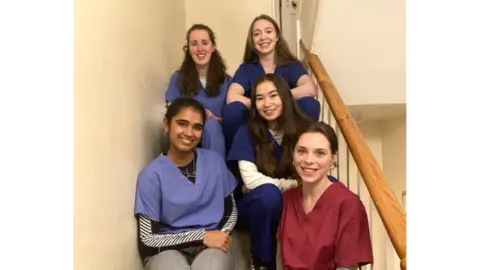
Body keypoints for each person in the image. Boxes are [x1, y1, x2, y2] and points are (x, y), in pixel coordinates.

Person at [227, 74, 337, 270]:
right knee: (268, 194)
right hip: (256, 206)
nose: (267, 103)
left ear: (284, 97)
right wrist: (294, 184)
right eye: (259, 98)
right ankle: (262, 263)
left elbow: (316, 171)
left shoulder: (303, 129)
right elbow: (251, 181)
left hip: (291, 199)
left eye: (273, 95)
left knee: (332, 186)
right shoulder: (247, 131)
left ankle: (329, 258)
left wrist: (295, 186)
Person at [134, 97, 238, 270]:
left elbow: (231, 211)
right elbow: (147, 239)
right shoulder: (151, 175)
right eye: (182, 124)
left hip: (213, 247)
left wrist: (219, 236)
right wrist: (200, 236)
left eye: (197, 127)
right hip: (166, 251)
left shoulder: (214, 162)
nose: (189, 133)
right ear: (166, 125)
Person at [278, 122, 374, 270]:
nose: (309, 160)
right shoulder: (287, 199)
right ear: (293, 154)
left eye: (320, 153)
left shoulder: (348, 203)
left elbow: (347, 267)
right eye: (302, 151)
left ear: (332, 159)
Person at [222, 14, 320, 151]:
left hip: (286, 125)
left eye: (268, 31)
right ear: (252, 41)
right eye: (257, 34)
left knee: (310, 104)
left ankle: (302, 153)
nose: (263, 37)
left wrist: (278, 99)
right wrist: (261, 103)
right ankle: (236, 162)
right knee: (232, 110)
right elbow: (232, 97)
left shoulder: (290, 66)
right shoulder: (247, 69)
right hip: (257, 125)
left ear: (277, 37)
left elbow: (310, 89)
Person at [165, 24, 231, 159]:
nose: (200, 49)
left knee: (211, 126)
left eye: (205, 43)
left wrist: (215, 119)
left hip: (219, 139)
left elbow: (233, 121)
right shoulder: (178, 79)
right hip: (188, 138)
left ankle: (216, 176)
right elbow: (171, 115)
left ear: (213, 47)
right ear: (188, 49)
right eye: (194, 44)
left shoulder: (228, 82)